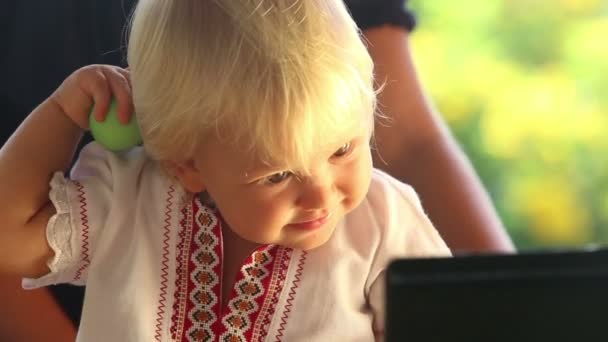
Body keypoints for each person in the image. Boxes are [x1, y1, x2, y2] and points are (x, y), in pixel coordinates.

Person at [0, 0, 450, 340]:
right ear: (187, 164)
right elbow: (8, 237)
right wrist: (61, 114)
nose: (321, 195)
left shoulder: (382, 222)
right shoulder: (125, 200)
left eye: (342, 150)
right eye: (276, 175)